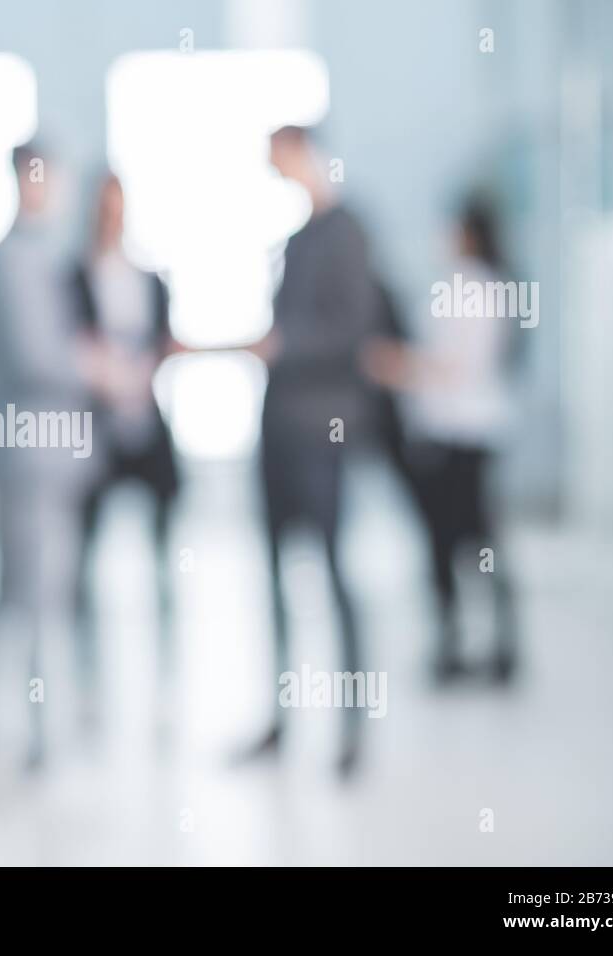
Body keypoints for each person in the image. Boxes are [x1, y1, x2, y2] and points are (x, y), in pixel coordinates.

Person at [234, 124, 380, 777]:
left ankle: (350, 730)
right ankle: (282, 718)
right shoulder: (296, 240)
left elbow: (354, 332)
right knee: (275, 579)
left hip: (323, 430)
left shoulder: (348, 232)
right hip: (279, 431)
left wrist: (286, 346)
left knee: (333, 575)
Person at [362, 194, 519, 684]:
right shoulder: (471, 284)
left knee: (468, 541)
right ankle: (470, 645)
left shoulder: (474, 287)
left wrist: (397, 366)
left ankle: (489, 646)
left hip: (463, 434)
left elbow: (456, 366)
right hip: (452, 431)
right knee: (461, 541)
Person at [0, 142, 97, 768]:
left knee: (41, 594)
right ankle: (24, 730)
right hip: (28, 454)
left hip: (51, 457)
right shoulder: (12, 261)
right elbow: (37, 359)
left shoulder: (41, 256)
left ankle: (38, 728)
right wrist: (99, 368)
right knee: (30, 597)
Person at [69, 173, 180, 728]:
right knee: (83, 561)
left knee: (163, 558)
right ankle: (88, 689)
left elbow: (163, 342)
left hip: (148, 428)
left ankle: (166, 684)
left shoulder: (150, 278)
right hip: (98, 433)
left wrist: (142, 370)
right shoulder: (76, 277)